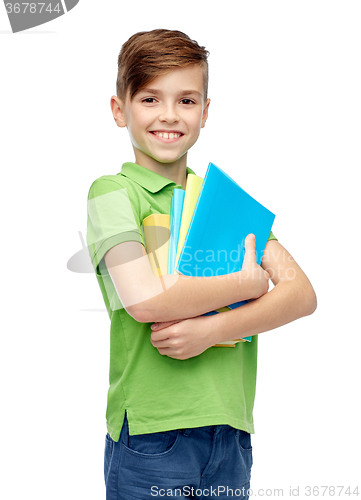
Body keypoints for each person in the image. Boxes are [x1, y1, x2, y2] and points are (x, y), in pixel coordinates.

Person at [86, 29, 317, 500]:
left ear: (206, 112)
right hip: (152, 434)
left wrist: (212, 329)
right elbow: (144, 300)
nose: (169, 115)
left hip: (230, 435)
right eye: (150, 98)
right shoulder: (113, 193)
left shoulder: (222, 202)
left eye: (187, 100)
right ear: (119, 109)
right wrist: (246, 282)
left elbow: (301, 294)